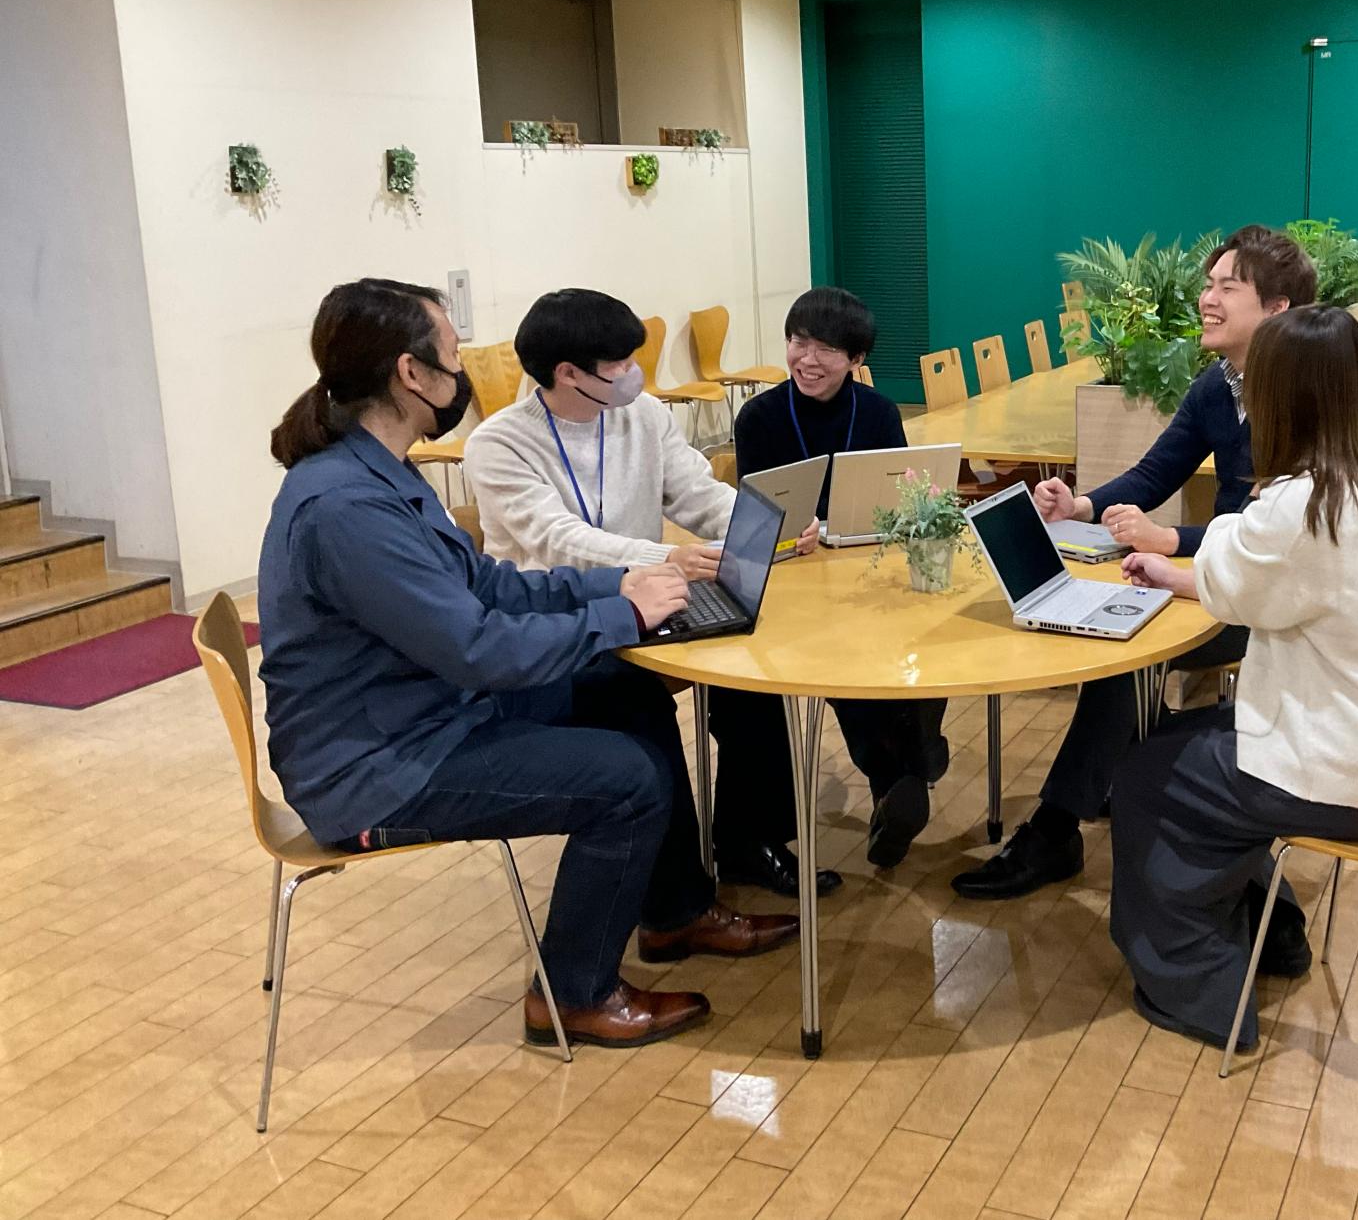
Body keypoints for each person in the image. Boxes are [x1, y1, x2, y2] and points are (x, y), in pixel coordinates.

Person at [258, 279, 796, 1051]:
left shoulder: (378, 471)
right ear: (411, 374)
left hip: (420, 713)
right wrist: (620, 615)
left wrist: (618, 586)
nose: (464, 371)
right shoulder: (348, 509)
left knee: (625, 688)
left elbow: (487, 584)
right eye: (453, 356)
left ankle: (675, 911)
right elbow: (478, 648)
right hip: (379, 767)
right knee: (627, 781)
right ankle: (571, 993)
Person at [1109, 305, 1358, 1049]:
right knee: (1193, 750)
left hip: (1350, 776)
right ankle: (1276, 933)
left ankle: (1204, 992)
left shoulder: (1302, 506)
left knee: (1144, 775)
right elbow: (1253, 574)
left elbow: (1236, 575)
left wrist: (1186, 553)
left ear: (1283, 398)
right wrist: (1188, 566)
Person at [951, 223, 1317, 902]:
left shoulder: (1305, 399)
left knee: (1129, 648)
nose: (1207, 299)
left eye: (1227, 288)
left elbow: (1277, 538)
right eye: (1209, 285)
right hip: (1213, 578)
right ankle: (1094, 791)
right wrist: (1082, 504)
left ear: (1277, 309)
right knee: (1121, 633)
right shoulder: (1219, 384)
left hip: (1265, 604)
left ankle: (1064, 821)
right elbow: (1155, 472)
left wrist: (1173, 540)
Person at [464, 288, 835, 898]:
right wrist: (665, 558)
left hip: (650, 600)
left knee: (751, 670)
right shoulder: (499, 444)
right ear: (569, 373)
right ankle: (676, 899)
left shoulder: (642, 415)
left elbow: (697, 493)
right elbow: (557, 540)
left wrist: (767, 526)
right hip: (563, 620)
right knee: (633, 701)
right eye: (620, 363)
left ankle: (750, 842)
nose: (635, 373)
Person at [732, 287, 950, 868]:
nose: (807, 359)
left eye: (826, 349)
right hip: (794, 583)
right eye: (798, 342)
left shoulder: (877, 412)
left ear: (856, 359)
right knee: (842, 665)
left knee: (924, 643)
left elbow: (902, 500)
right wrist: (790, 533)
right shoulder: (760, 417)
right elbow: (756, 515)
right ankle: (902, 773)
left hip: (866, 571)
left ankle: (902, 774)